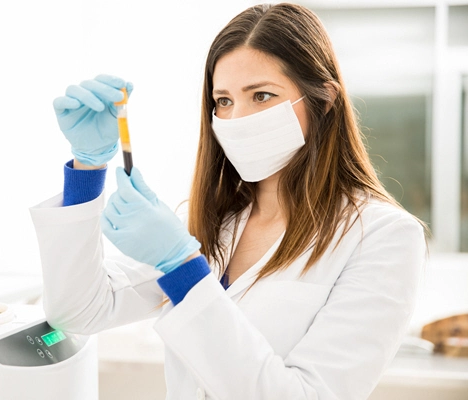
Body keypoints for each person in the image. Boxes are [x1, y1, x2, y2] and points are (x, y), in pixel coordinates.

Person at [30, 3, 428, 399]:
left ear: (323, 100)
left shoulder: (383, 237)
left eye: (262, 95)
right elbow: (77, 312)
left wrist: (183, 269)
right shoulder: (211, 222)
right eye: (224, 101)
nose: (236, 119)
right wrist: (87, 168)